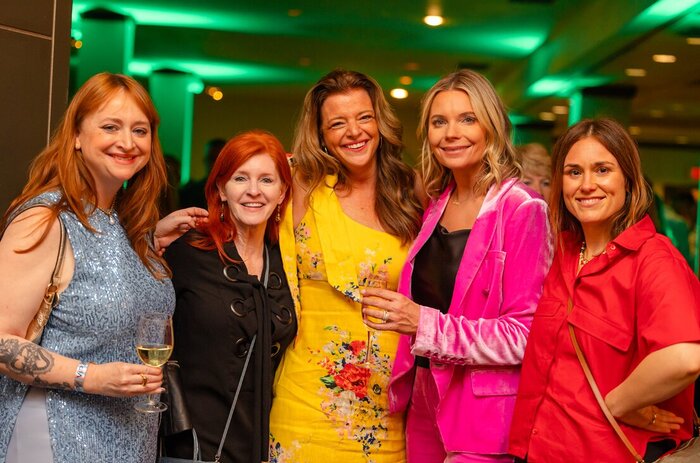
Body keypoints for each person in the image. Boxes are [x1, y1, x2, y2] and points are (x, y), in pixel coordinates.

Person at [0, 72, 206, 463]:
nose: (127, 142)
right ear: (77, 135)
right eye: (110, 127)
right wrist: (92, 377)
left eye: (140, 130)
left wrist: (148, 240)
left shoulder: (125, 223)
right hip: (56, 433)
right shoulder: (46, 219)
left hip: (131, 438)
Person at [360, 69, 552, 463]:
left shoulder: (522, 208)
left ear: (491, 127)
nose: (451, 133)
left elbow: (524, 335)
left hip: (483, 414)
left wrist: (422, 323)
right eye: (439, 122)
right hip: (425, 400)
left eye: (467, 119)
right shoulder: (437, 202)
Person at [509, 118, 700, 462]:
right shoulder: (562, 253)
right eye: (574, 172)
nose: (587, 185)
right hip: (536, 449)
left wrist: (619, 403)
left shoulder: (653, 259)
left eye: (602, 170)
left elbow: (683, 358)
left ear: (628, 180)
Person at [268, 69, 423, 462]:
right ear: (320, 134)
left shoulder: (410, 190)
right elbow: (236, 208)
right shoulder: (298, 184)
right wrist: (164, 233)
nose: (354, 132)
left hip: (388, 408)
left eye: (364, 117)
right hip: (305, 400)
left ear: (380, 122)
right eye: (337, 123)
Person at [162, 130, 296, 463]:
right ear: (221, 188)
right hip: (195, 446)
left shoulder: (288, 262)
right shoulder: (187, 253)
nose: (254, 191)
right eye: (240, 178)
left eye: (267, 180)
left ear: (282, 192)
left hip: (264, 443)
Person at [179, 138, 227, 209]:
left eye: (220, 160)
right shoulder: (191, 193)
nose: (215, 164)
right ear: (205, 160)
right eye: (212, 159)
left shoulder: (237, 190)